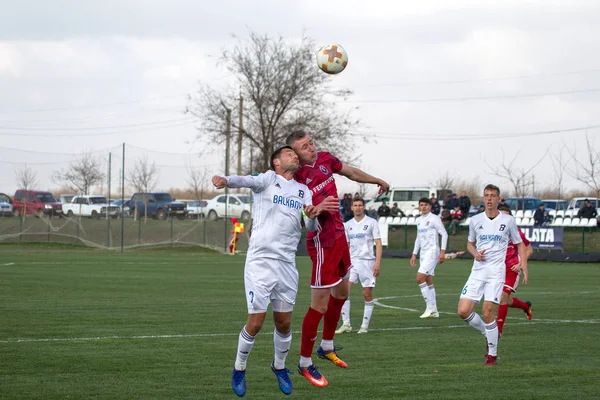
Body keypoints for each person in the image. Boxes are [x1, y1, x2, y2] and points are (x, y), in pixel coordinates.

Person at [213, 146, 338, 397]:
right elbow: (245, 180)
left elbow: (310, 225)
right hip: (260, 262)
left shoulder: (303, 190)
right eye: (289, 153)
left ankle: (279, 367)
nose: (295, 156)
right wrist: (226, 180)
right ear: (277, 161)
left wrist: (313, 214)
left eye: (295, 153)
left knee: (284, 323)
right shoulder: (269, 179)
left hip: (286, 264)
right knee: (256, 323)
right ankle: (239, 368)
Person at [285, 130, 389, 387]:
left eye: (311, 142)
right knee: (318, 305)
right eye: (304, 146)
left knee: (342, 293)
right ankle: (305, 363)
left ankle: (326, 346)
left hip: (340, 237)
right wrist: (313, 212)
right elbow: (299, 216)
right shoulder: (294, 179)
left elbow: (351, 172)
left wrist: (376, 179)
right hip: (322, 243)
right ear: (295, 153)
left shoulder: (325, 160)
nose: (311, 147)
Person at [457, 184, 528, 367]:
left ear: (498, 199)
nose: (489, 199)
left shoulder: (508, 221)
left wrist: (523, 265)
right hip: (477, 271)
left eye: (493, 196)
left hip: (496, 273)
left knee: (488, 313)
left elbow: (520, 244)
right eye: (486, 196)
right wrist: (475, 253)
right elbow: (470, 244)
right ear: (483, 199)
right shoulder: (475, 220)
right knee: (463, 311)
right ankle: (489, 332)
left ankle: (492, 356)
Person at [336, 197, 382, 334]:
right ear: (351, 208)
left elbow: (378, 243)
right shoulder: (348, 224)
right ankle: (346, 324)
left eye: (360, 205)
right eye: (355, 205)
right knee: (343, 292)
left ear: (364, 207)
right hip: (352, 262)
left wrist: (377, 263)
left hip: (368, 262)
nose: (357, 208)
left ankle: (364, 326)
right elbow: (347, 245)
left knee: (366, 293)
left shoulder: (372, 223)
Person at [496, 204, 534, 337]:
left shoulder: (516, 231)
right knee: (505, 300)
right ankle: (525, 306)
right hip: (496, 268)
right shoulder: (493, 231)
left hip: (512, 268)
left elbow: (529, 249)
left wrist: (521, 263)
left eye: (507, 215)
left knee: (502, 297)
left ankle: (498, 330)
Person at [410, 198, 448, 318]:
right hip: (423, 253)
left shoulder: (434, 219)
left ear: (430, 207)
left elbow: (444, 234)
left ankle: (429, 307)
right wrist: (414, 254)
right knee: (428, 280)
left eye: (426, 205)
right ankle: (435, 310)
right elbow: (418, 238)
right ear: (419, 207)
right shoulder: (419, 220)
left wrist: (442, 252)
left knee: (419, 278)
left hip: (432, 252)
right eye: (421, 205)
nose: (424, 207)